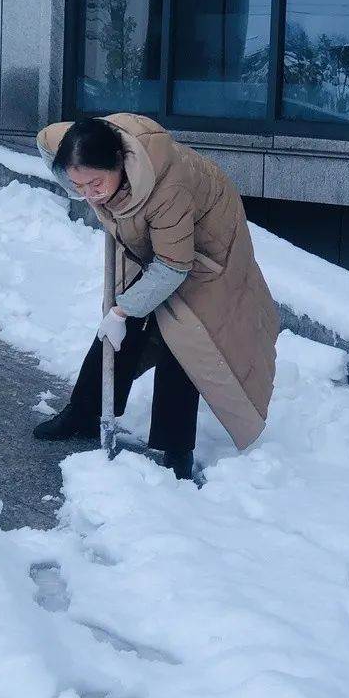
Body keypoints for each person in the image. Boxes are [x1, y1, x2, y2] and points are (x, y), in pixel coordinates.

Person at [33, 113, 279, 481]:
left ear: (118, 162)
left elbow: (173, 267)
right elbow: (45, 139)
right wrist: (123, 314)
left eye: (95, 184)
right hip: (161, 245)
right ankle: (85, 412)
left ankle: (176, 447)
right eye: (78, 185)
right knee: (121, 327)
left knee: (186, 341)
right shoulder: (79, 148)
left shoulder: (168, 189)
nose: (88, 194)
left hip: (208, 255)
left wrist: (122, 311)